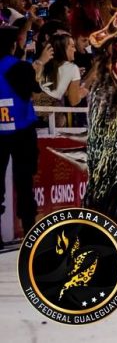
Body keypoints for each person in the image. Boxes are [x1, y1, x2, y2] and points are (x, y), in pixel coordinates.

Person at [0, 24, 40, 233]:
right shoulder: (21, 67)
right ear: (14, 45)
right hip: (22, 130)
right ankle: (29, 229)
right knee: (24, 182)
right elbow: (35, 91)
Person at [35, 32, 90, 127]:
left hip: (33, 113)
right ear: (63, 49)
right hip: (51, 116)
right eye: (72, 46)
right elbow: (73, 101)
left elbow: (50, 89)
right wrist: (81, 93)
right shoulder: (72, 68)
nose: (75, 50)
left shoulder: (43, 63)